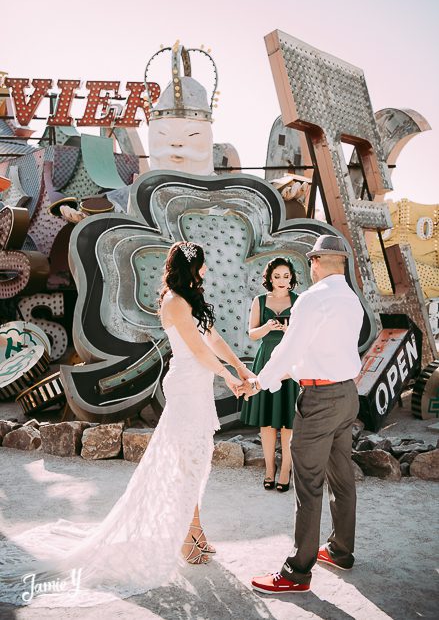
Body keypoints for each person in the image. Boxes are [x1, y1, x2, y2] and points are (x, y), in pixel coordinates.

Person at [0, 241, 252, 608]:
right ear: (192, 267)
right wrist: (229, 379)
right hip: (185, 387)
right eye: (203, 265)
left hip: (199, 387)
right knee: (187, 461)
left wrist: (242, 369)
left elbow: (214, 338)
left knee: (199, 461)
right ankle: (188, 536)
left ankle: (194, 530)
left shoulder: (194, 299)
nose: (207, 270)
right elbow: (198, 350)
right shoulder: (174, 303)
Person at [240, 235, 364, 594]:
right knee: (341, 477)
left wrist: (259, 383)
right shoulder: (351, 301)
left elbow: (290, 349)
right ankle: (341, 551)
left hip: (320, 399)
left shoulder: (312, 299)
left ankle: (297, 572)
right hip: (346, 395)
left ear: (317, 263)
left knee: (308, 485)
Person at [240, 257, 299, 491]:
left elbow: (306, 333)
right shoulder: (259, 300)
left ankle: (285, 470)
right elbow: (252, 333)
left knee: (288, 421)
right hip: (266, 359)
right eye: (277, 276)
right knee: (267, 421)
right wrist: (268, 327)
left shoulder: (299, 301)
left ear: (292, 277)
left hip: (290, 362)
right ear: (270, 278)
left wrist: (288, 329)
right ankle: (269, 469)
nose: (282, 281)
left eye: (286, 276)